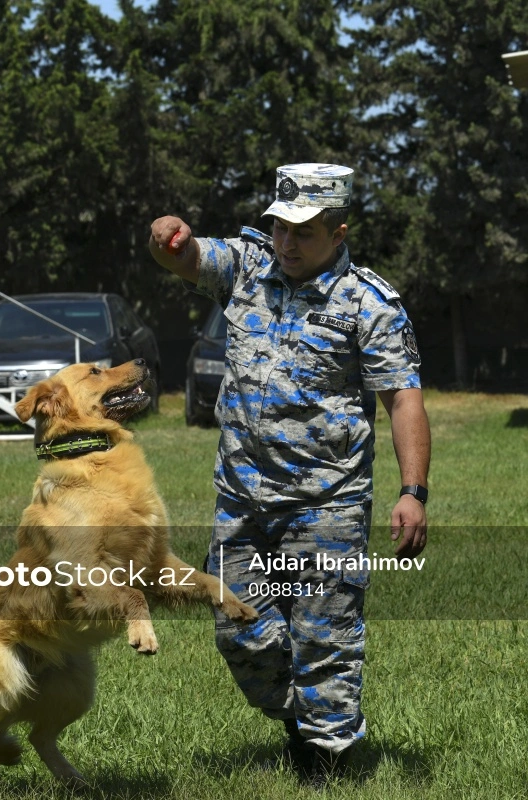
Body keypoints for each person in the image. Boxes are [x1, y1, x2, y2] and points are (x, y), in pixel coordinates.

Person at [146, 163, 431, 786]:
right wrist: (170, 237)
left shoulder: (369, 305)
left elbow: (403, 398)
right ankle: (302, 722)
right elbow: (189, 258)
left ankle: (330, 762)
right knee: (240, 635)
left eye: (303, 231)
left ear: (338, 230)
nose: (286, 243)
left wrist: (413, 493)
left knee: (324, 637)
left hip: (326, 503)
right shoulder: (249, 270)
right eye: (279, 227)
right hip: (242, 502)